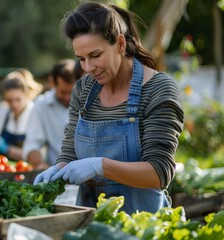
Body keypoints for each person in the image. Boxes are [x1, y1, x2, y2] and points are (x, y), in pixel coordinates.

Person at [34, 2, 184, 214]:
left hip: (143, 225)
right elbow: (70, 152)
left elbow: (159, 172)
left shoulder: (158, 89)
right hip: (91, 223)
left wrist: (101, 165)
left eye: (95, 55)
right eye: (81, 59)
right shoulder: (83, 90)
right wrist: (57, 169)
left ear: (120, 44)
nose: (88, 67)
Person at [23, 59, 77, 169]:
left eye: (71, 92)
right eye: (63, 92)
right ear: (52, 82)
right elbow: (33, 142)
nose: (68, 97)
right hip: (56, 175)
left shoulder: (90, 103)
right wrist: (40, 164)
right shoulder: (41, 105)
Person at [0, 69, 42, 161]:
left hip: (27, 167)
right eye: (9, 100)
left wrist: (7, 149)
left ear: (26, 95)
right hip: (1, 166)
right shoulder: (2, 110)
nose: (14, 104)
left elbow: (37, 156)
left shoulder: (35, 113)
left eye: (18, 100)